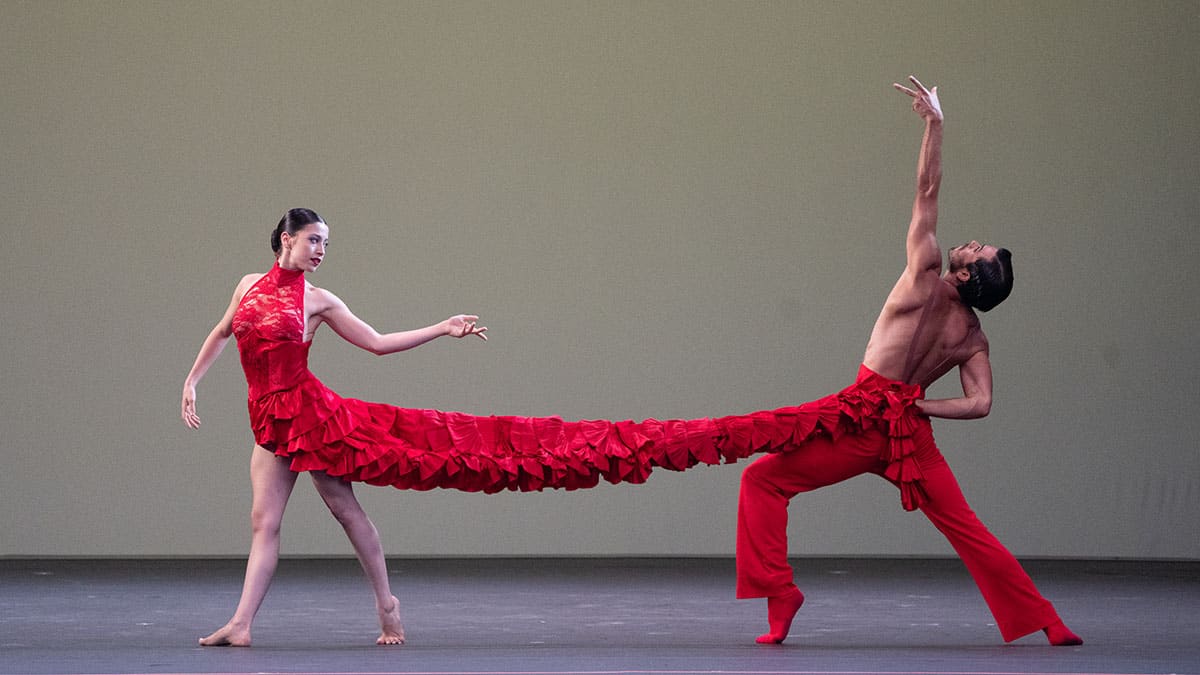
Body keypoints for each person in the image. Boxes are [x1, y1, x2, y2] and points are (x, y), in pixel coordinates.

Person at [182, 208, 780, 646]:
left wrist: (441, 328)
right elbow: (221, 332)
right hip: (268, 420)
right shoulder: (248, 286)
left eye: (327, 244)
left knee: (344, 508)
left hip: (311, 417)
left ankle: (387, 606)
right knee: (264, 521)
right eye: (314, 241)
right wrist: (192, 381)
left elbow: (379, 344)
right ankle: (242, 623)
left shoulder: (319, 301)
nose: (321, 250)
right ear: (286, 238)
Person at [733, 77, 1083, 646]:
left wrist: (934, 124)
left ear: (965, 274)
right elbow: (981, 403)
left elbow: (927, 187)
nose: (971, 243)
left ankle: (781, 596)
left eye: (976, 251)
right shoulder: (972, 336)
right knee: (967, 530)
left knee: (761, 480)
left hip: (858, 420)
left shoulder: (924, 273)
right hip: (908, 433)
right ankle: (1049, 621)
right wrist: (921, 404)